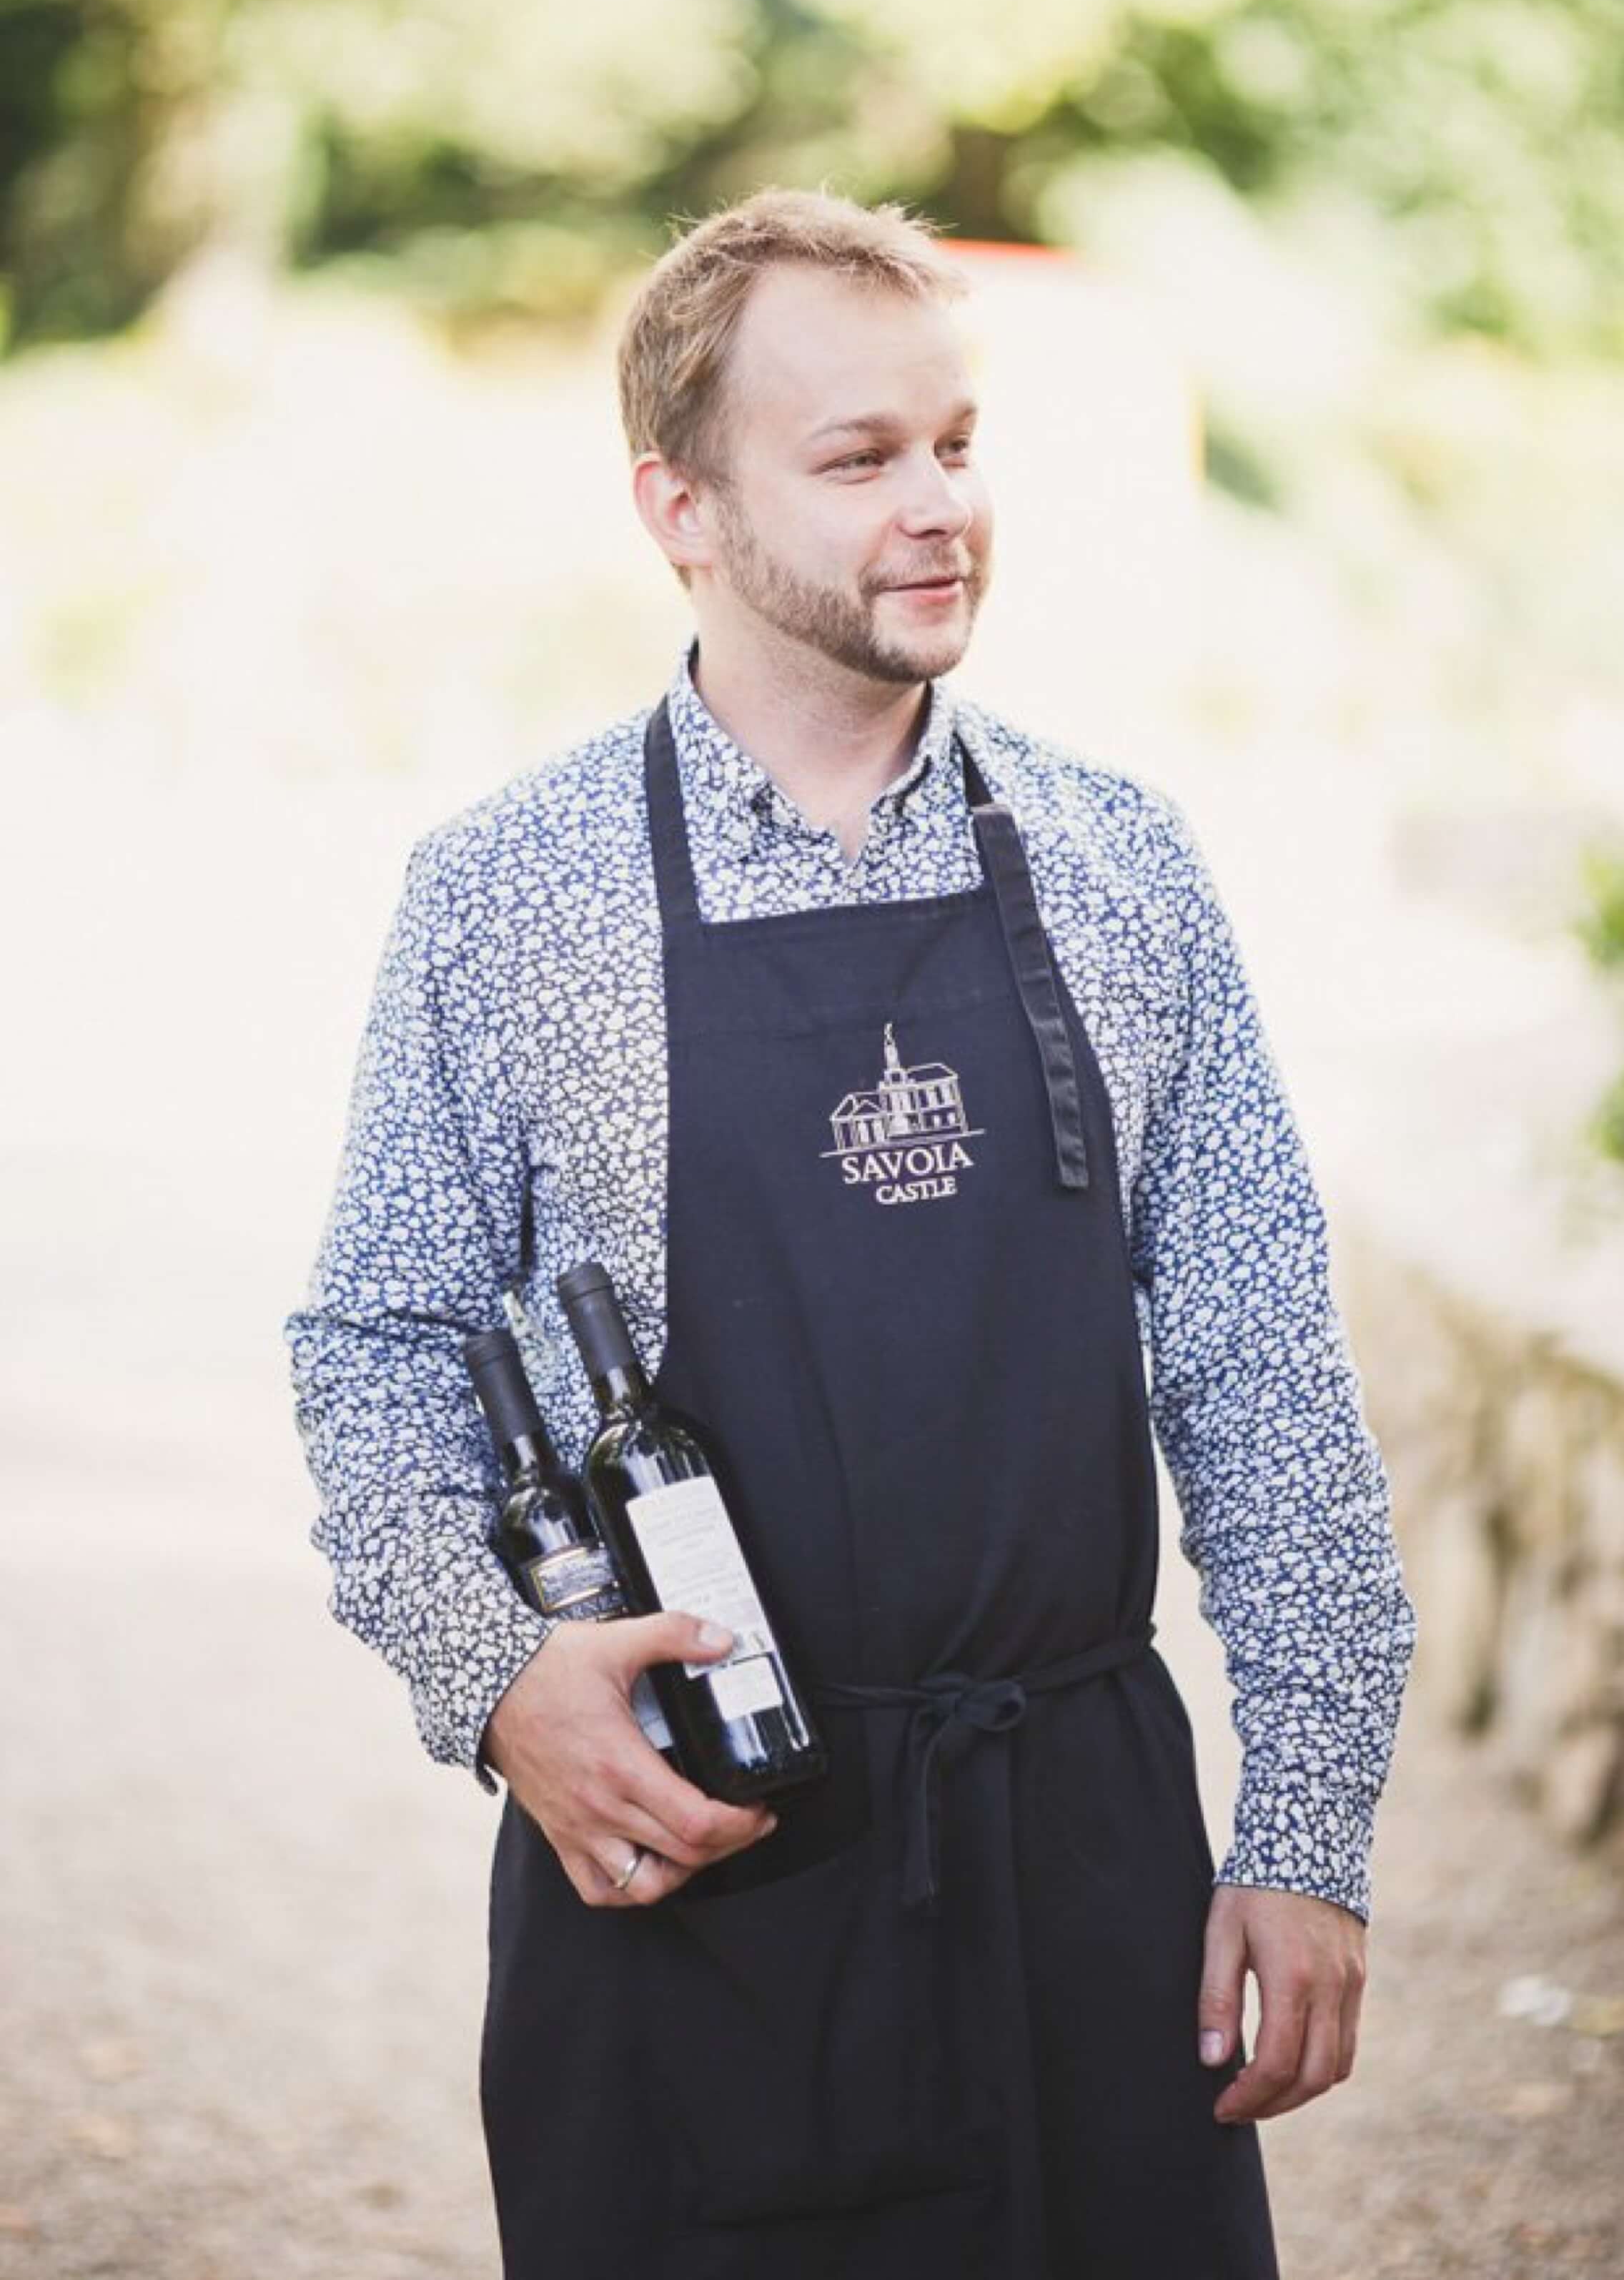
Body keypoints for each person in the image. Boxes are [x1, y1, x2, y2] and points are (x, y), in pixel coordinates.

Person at [285, 186, 1415, 2280]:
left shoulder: (1118, 865)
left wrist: (1307, 1830)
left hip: (1081, 1854)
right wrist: (496, 1677)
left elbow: (1258, 1361)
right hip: (692, 1865)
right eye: (858, 456)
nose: (937, 506)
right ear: (680, 507)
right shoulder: (506, 894)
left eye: (957, 442)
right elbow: (378, 1341)